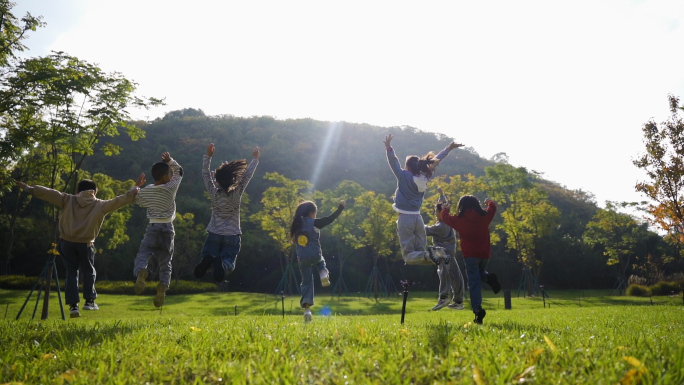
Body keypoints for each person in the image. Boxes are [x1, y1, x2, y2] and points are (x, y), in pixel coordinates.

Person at [16, 175, 145, 318]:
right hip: (86, 243)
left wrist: (30, 189)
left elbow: (50, 193)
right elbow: (119, 200)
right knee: (89, 271)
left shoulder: (67, 199)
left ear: (78, 191)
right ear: (94, 192)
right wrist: (135, 189)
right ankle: (89, 301)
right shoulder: (100, 205)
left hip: (66, 242)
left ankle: (73, 306)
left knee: (72, 272)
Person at [383, 133, 462, 265]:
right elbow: (436, 160)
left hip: (405, 219)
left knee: (409, 257)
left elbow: (393, 162)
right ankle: (437, 253)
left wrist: (389, 148)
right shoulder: (425, 177)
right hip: (418, 219)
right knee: (421, 254)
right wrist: (448, 148)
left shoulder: (403, 176)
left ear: (407, 166)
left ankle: (434, 254)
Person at [194, 143, 259, 284]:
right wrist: (255, 160)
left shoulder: (214, 193)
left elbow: (205, 175)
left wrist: (208, 157)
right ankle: (222, 265)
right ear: (234, 180)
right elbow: (247, 176)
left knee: (208, 254)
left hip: (214, 233)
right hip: (232, 234)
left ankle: (207, 259)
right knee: (229, 260)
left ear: (217, 181)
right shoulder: (237, 193)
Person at [133, 152, 183, 307]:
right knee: (165, 261)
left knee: (143, 253)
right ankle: (162, 286)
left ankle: (141, 271)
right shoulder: (170, 188)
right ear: (166, 177)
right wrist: (170, 160)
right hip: (168, 228)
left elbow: (135, 199)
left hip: (153, 227)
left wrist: (136, 186)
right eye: (170, 173)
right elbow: (180, 171)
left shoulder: (147, 190)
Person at [440, 195, 501, 325]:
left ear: (461, 206)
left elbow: (445, 218)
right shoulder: (484, 216)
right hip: (485, 254)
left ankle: (477, 309)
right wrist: (489, 201)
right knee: (479, 274)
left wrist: (445, 209)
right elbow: (493, 208)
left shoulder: (458, 219)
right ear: (477, 205)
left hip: (470, 255)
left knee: (474, 282)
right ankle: (489, 277)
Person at [289, 200, 345, 323]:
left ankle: (307, 310)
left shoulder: (296, 225)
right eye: (315, 213)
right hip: (315, 254)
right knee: (321, 263)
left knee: (306, 282)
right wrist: (340, 208)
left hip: (302, 258)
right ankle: (323, 274)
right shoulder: (313, 222)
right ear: (311, 213)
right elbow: (329, 219)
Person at [425, 187, 465, 311]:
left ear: (440, 213)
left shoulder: (440, 226)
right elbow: (443, 206)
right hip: (451, 252)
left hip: (443, 253)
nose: (434, 214)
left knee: (444, 273)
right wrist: (442, 195)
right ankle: (458, 301)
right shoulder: (449, 220)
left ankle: (444, 297)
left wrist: (414, 222)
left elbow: (425, 230)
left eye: (435, 212)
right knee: (456, 276)